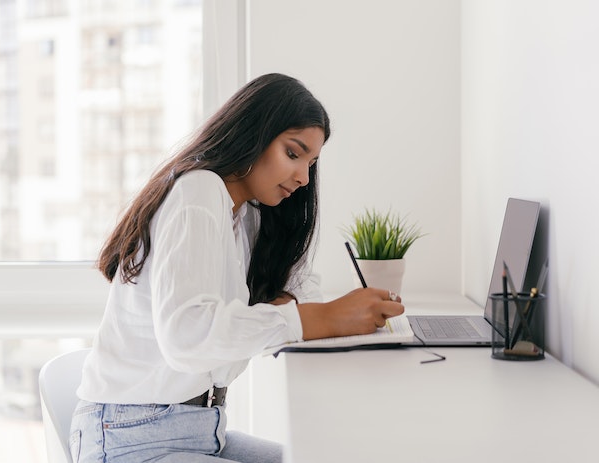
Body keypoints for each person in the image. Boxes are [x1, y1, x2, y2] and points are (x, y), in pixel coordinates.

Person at [70, 73, 404, 463]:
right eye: (293, 154)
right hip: (131, 435)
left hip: (199, 431)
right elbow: (188, 338)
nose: (302, 177)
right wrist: (316, 319)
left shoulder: (248, 216)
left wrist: (299, 314)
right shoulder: (198, 191)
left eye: (311, 163)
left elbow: (303, 288)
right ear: (253, 134)